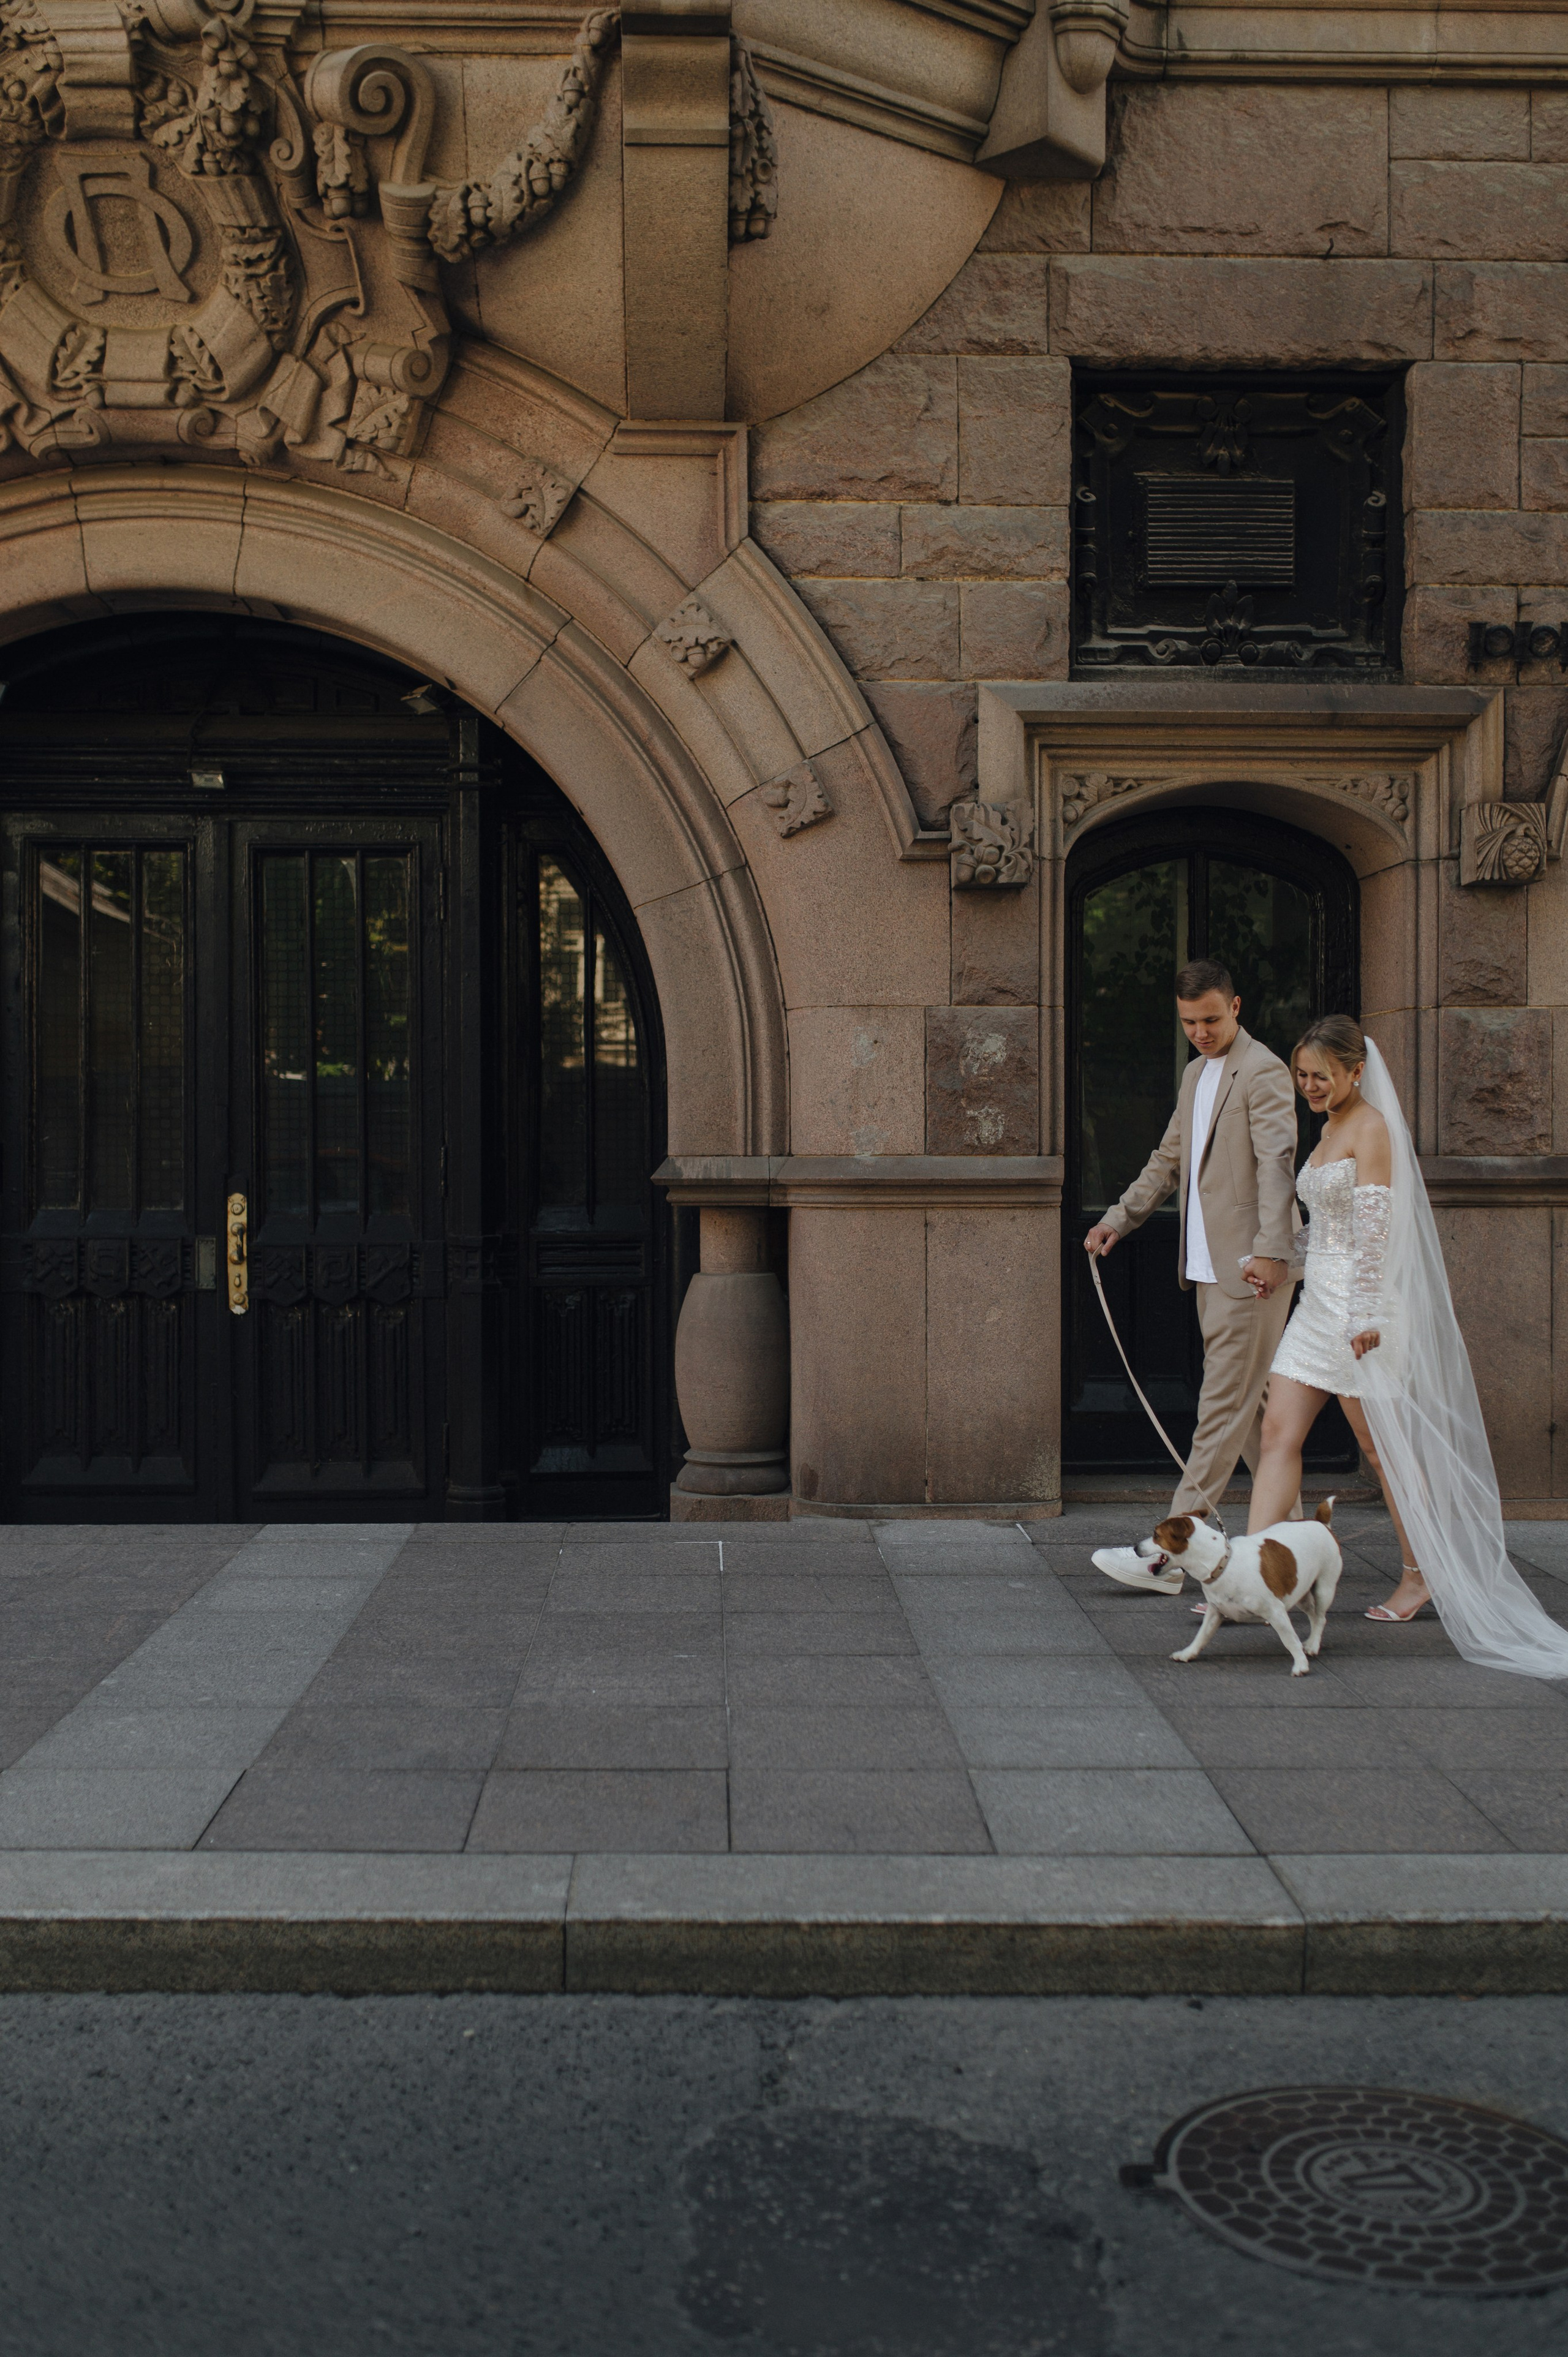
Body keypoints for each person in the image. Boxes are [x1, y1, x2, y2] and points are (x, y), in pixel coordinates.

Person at [1248, 1016, 1568, 1678]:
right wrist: (1278, 1262)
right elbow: (1324, 1235)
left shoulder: (1370, 1128)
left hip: (1362, 1313)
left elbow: (1374, 1231)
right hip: (1316, 1310)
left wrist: (1365, 1313)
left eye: (1319, 1075)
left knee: (1380, 1448)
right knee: (1276, 1431)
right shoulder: (1329, 1128)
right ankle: (1257, 1570)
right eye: (1301, 1074)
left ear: (1354, 1071)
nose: (1308, 1085)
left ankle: (1421, 1573)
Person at [1084, 959, 1302, 1598]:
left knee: (1220, 1410)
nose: (1201, 1031)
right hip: (1208, 1271)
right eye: (1189, 1022)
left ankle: (1164, 1556)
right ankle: (1296, 1547)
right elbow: (1169, 1158)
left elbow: (1276, 1164)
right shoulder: (1194, 1073)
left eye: (1210, 1018)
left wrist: (1268, 1249)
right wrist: (1119, 1218)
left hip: (1252, 1271)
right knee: (1258, 1418)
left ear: (1235, 1006)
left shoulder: (1261, 1070)